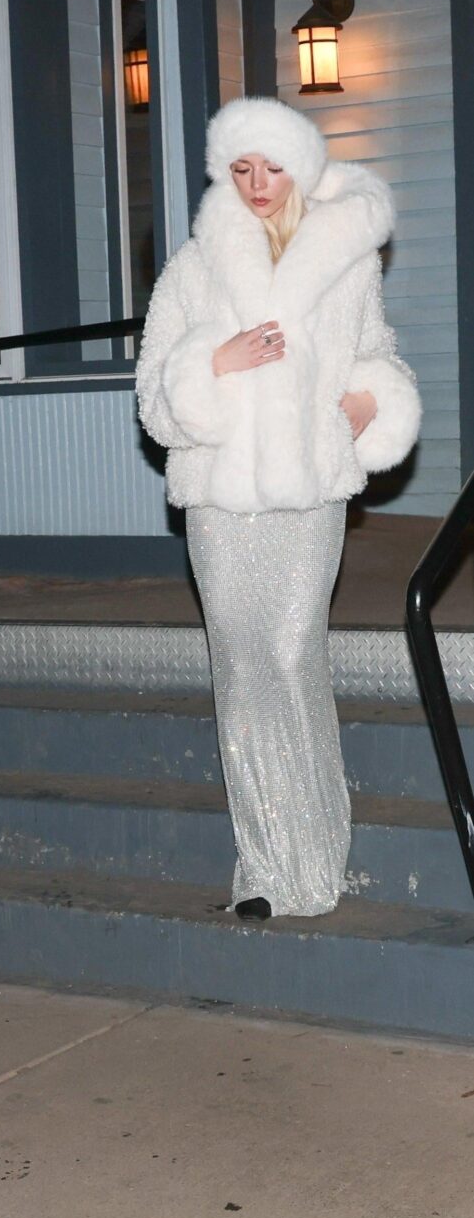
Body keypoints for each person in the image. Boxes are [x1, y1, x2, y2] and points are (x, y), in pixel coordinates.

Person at [136, 96, 420, 921]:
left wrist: (367, 407)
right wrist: (210, 364)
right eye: (240, 169)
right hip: (218, 501)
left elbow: (378, 358)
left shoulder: (347, 265)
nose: (257, 184)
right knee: (241, 672)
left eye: (271, 167)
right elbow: (154, 398)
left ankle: (316, 855)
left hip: (307, 496)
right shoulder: (191, 269)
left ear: (300, 169)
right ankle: (261, 867)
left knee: (293, 657)